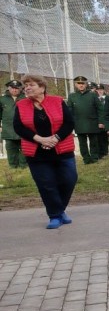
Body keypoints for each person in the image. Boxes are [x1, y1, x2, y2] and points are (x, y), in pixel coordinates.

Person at [12, 74, 78, 229]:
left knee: (69, 179)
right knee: (47, 185)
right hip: (37, 153)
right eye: (26, 85)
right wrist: (40, 139)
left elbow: (69, 123)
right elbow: (18, 127)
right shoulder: (21, 105)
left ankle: (60, 209)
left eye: (31, 85)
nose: (27, 88)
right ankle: (55, 215)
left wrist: (55, 138)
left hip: (62, 149)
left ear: (42, 87)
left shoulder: (57, 101)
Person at [67, 76, 101, 164]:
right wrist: (71, 124)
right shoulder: (72, 96)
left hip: (92, 122)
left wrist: (101, 121)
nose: (81, 85)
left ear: (86, 84)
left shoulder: (93, 95)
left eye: (83, 83)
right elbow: (69, 111)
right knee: (82, 143)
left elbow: (100, 108)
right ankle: (86, 158)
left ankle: (94, 157)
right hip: (79, 123)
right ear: (75, 84)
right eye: (79, 83)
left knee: (94, 141)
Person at [0, 79, 26, 169]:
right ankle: (13, 166)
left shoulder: (26, 99)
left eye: (17, 88)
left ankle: (23, 166)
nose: (14, 90)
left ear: (20, 89)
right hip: (8, 129)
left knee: (24, 147)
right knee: (10, 148)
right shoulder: (2, 99)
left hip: (23, 128)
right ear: (8, 88)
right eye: (12, 88)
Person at [94, 83, 109, 158]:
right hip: (97, 122)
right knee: (98, 138)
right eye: (98, 90)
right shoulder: (94, 99)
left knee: (105, 138)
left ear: (103, 90)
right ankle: (99, 153)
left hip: (106, 121)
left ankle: (105, 152)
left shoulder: (107, 98)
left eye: (101, 90)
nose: (99, 91)